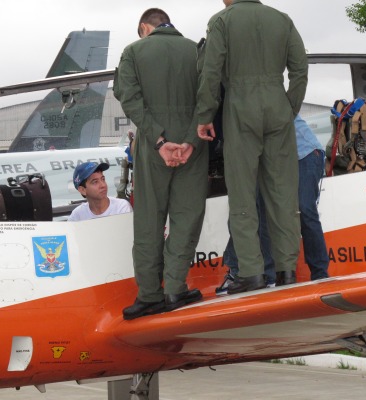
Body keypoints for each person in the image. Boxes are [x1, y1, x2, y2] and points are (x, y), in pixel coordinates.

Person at [196, 0, 308, 294]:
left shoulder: (222, 21)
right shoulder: (282, 19)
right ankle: (286, 271)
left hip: (240, 107)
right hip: (277, 105)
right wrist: (289, 107)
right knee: (283, 194)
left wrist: (206, 114)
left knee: (243, 193)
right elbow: (300, 68)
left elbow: (210, 71)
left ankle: (251, 272)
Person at [114, 8, 208, 320]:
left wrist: (158, 141)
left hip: (152, 147)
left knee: (148, 221)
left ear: (144, 27)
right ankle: (175, 289)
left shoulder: (133, 52)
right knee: (185, 217)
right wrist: (190, 142)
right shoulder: (195, 50)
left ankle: (149, 296)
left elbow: (128, 98)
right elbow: (209, 97)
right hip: (192, 145)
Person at [217, 115, 330, 294]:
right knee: (265, 212)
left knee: (304, 208)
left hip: (304, 154)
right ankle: (268, 277)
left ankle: (320, 274)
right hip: (274, 163)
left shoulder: (267, 99)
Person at [68, 161, 132, 222]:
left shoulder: (121, 207)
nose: (103, 185)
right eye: (95, 182)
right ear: (82, 190)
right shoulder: (77, 216)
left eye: (103, 179)